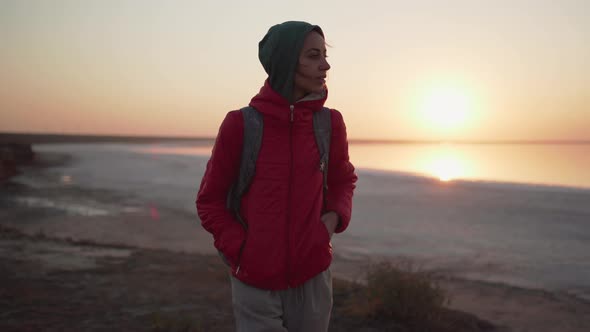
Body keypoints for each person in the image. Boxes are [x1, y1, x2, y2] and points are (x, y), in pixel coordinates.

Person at [196, 21, 357, 332]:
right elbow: (210, 200)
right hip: (254, 279)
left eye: (324, 55)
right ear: (285, 60)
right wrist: (241, 249)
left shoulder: (330, 123)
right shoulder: (240, 125)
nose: (325, 65)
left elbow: (343, 180)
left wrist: (331, 222)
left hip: (312, 276)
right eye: (313, 56)